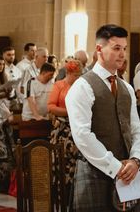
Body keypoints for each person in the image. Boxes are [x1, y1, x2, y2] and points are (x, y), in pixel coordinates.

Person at [66, 24, 140, 212]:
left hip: (128, 172)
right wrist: (115, 167)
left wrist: (135, 159)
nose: (122, 54)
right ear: (100, 49)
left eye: (124, 49)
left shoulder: (126, 88)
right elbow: (82, 135)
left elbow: (136, 128)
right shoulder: (82, 87)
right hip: (95, 172)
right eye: (116, 48)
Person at [47, 58, 83, 203]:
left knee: (74, 162)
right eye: (75, 75)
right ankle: (59, 193)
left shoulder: (81, 86)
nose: (78, 78)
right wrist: (69, 112)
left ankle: (73, 195)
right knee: (61, 160)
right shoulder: (59, 85)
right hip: (62, 128)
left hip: (76, 127)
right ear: (68, 73)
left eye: (80, 75)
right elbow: (50, 106)